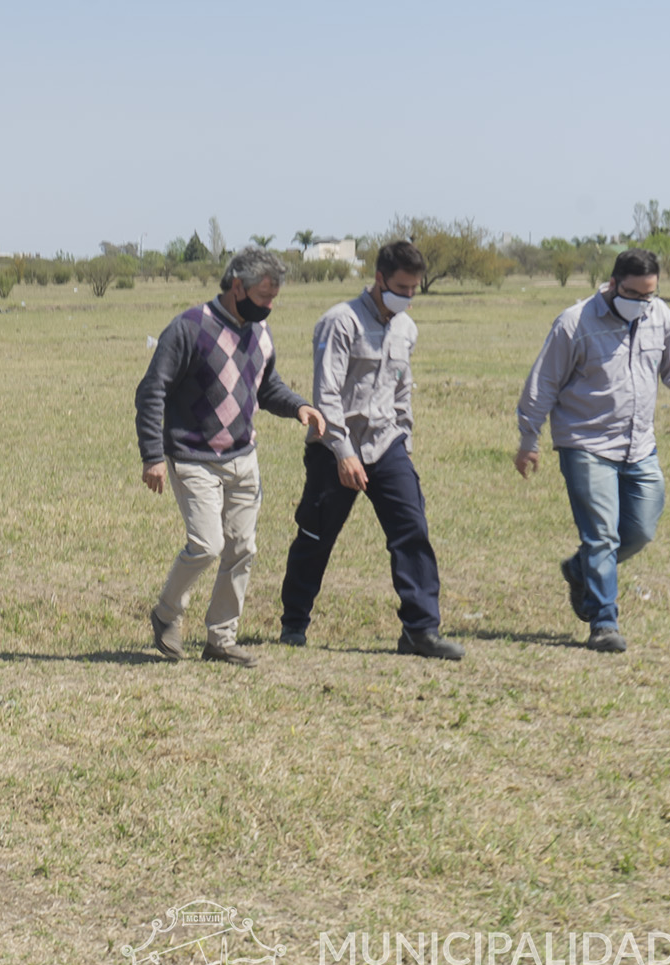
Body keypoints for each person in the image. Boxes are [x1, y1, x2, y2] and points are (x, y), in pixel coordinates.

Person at [514, 247, 670, 653]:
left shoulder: (658, 316)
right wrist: (528, 439)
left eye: (649, 295)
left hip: (639, 445)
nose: (642, 303)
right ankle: (604, 623)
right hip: (585, 444)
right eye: (634, 294)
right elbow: (543, 383)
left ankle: (579, 570)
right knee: (601, 535)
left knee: (640, 531)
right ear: (613, 284)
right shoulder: (574, 323)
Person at [137, 247, 327, 668]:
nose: (269, 306)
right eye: (263, 296)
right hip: (193, 457)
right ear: (237, 286)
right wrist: (152, 456)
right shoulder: (189, 328)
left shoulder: (261, 333)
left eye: (274, 298)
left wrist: (299, 406)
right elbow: (152, 391)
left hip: (243, 458)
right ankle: (166, 614)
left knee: (242, 548)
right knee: (207, 545)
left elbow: (266, 386)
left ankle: (221, 639)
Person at [277, 241, 464, 659]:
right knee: (316, 535)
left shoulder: (406, 328)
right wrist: (343, 453)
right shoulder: (340, 322)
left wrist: (405, 443)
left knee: (412, 529)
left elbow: (401, 390)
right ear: (380, 279)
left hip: (386, 443)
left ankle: (420, 630)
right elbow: (326, 394)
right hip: (334, 445)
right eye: (402, 288)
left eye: (414, 289)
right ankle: (294, 622)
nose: (408, 296)